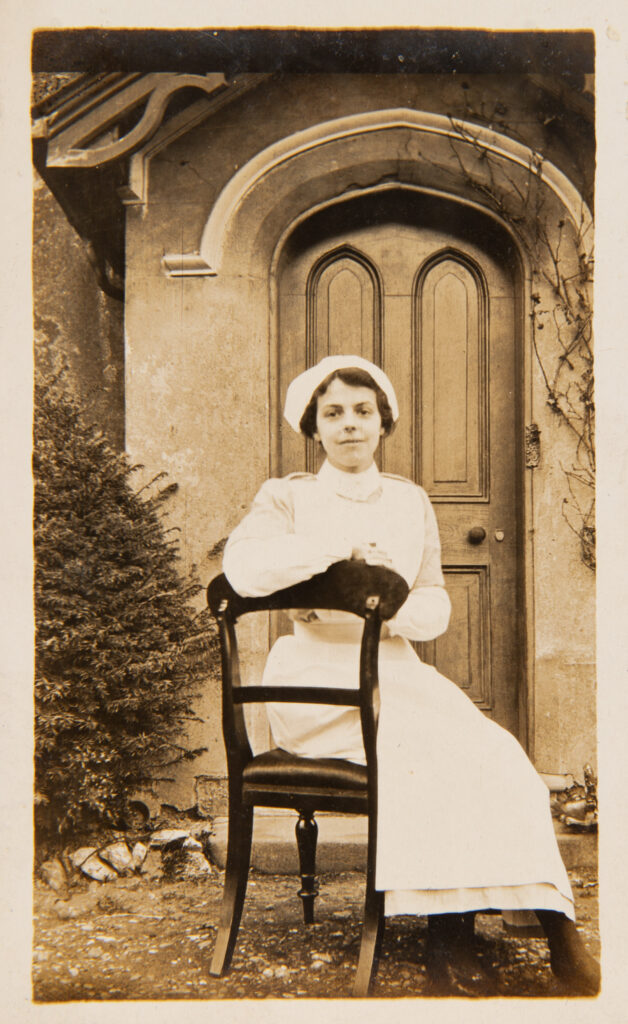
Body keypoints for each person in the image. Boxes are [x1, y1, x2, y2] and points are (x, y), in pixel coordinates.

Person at [222, 354, 600, 996]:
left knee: (496, 750)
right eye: (333, 413)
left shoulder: (409, 500)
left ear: (383, 423)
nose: (349, 425)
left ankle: (533, 921)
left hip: (396, 670)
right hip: (317, 678)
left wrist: (390, 614)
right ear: (313, 426)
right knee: (433, 747)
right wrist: (339, 557)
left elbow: (434, 603)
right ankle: (449, 935)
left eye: (362, 412)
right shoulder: (286, 496)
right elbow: (244, 571)